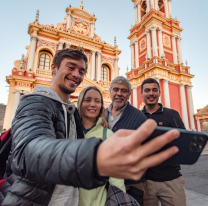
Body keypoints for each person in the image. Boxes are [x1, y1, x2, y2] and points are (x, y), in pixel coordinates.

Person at [0, 49, 180, 206]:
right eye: (70, 67)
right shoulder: (36, 103)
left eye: (81, 71)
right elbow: (28, 151)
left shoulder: (71, 114)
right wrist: (96, 158)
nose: (77, 75)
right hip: (34, 199)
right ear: (53, 68)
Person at [141, 78, 186, 206]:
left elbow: (183, 141)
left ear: (159, 93)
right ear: (142, 94)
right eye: (147, 90)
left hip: (172, 180)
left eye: (154, 90)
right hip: (147, 181)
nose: (151, 93)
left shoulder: (172, 115)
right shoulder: (138, 117)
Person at [77, 86, 126, 206]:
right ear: (80, 103)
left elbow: (116, 177)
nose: (93, 104)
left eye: (97, 101)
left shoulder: (107, 135)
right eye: (87, 100)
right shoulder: (70, 131)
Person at [105, 76, 148, 206]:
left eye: (124, 91)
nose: (119, 94)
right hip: (106, 180)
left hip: (133, 182)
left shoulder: (139, 117)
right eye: (116, 89)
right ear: (110, 91)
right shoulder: (101, 114)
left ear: (129, 94)